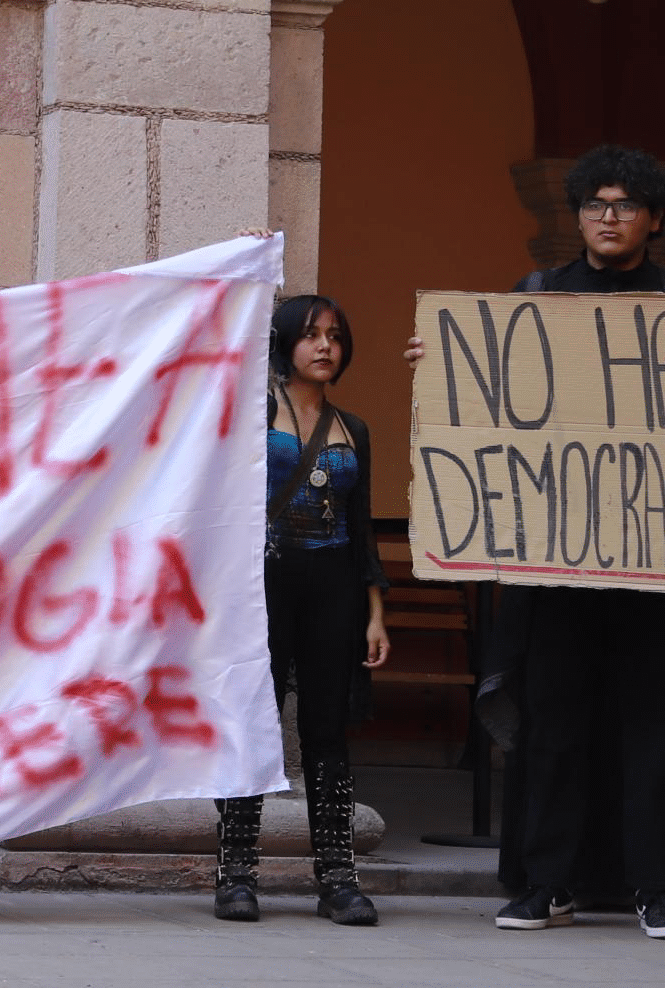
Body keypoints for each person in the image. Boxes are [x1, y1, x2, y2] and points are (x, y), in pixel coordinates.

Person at [404, 144, 665, 941]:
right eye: (594, 204)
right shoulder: (537, 294)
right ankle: (542, 881)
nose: (608, 217)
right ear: (578, 213)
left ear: (653, 219)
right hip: (551, 558)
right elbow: (498, 408)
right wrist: (445, 363)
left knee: (649, 725)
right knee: (551, 721)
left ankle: (654, 887)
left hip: (654, 559)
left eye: (624, 205)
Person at [215, 294, 390, 926]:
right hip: (261, 584)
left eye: (335, 337)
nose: (324, 347)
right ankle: (235, 875)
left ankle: (338, 879)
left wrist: (374, 610)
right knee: (251, 724)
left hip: (335, 588)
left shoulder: (356, 429)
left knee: (326, 729)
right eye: (311, 335)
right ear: (285, 343)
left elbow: (361, 524)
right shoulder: (255, 411)